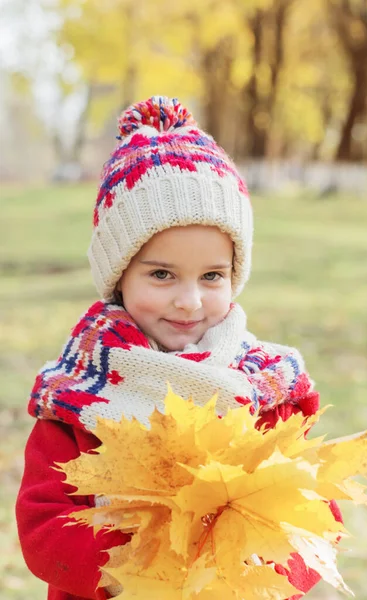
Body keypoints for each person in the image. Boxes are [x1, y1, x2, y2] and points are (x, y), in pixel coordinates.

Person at [16, 96, 341, 600]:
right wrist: (145, 566)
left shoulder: (266, 385)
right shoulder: (77, 394)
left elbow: (316, 510)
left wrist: (271, 559)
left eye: (212, 276)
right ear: (118, 275)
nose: (189, 302)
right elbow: (44, 528)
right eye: (162, 274)